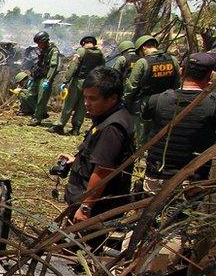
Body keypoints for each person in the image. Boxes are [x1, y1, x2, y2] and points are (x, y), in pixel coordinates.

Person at [54, 66, 135, 225]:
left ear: (112, 98)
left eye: (93, 99)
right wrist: (76, 161)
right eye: (85, 98)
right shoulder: (107, 117)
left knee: (79, 245)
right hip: (86, 200)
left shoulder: (112, 128)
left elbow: (103, 171)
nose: (86, 103)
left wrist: (86, 207)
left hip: (98, 207)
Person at [141, 52, 216, 193]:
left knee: (149, 212)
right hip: (191, 180)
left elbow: (146, 119)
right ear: (210, 75)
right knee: (183, 214)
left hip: (156, 175)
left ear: (181, 71)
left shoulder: (156, 100)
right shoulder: (212, 104)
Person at [122, 35, 180, 144]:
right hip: (169, 99)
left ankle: (141, 151)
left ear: (143, 48)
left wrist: (125, 100)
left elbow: (132, 86)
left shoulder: (143, 62)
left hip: (147, 101)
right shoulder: (172, 59)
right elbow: (177, 83)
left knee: (142, 128)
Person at [49, 35, 105, 135]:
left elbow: (73, 66)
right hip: (91, 83)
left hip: (78, 81)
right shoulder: (100, 53)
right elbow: (102, 68)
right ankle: (76, 128)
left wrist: (66, 80)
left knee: (69, 103)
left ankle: (60, 125)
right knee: (82, 105)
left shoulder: (81, 51)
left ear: (83, 43)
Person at [25, 31, 62, 126]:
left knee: (41, 99)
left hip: (46, 78)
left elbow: (53, 66)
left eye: (39, 43)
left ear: (44, 41)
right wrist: (33, 77)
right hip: (38, 77)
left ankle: (37, 118)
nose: (38, 45)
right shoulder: (43, 50)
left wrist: (48, 80)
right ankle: (43, 113)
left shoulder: (53, 51)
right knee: (29, 96)